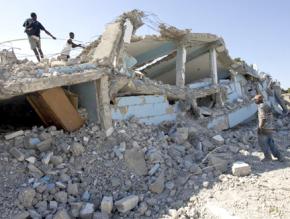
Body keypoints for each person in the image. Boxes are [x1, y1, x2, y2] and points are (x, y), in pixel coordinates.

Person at [253, 94, 284, 162]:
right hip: (270, 127)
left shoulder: (261, 107)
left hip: (264, 128)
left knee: (262, 143)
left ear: (259, 100)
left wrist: (260, 128)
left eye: (255, 100)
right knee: (271, 143)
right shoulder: (266, 105)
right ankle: (279, 156)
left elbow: (263, 118)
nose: (254, 101)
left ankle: (267, 157)